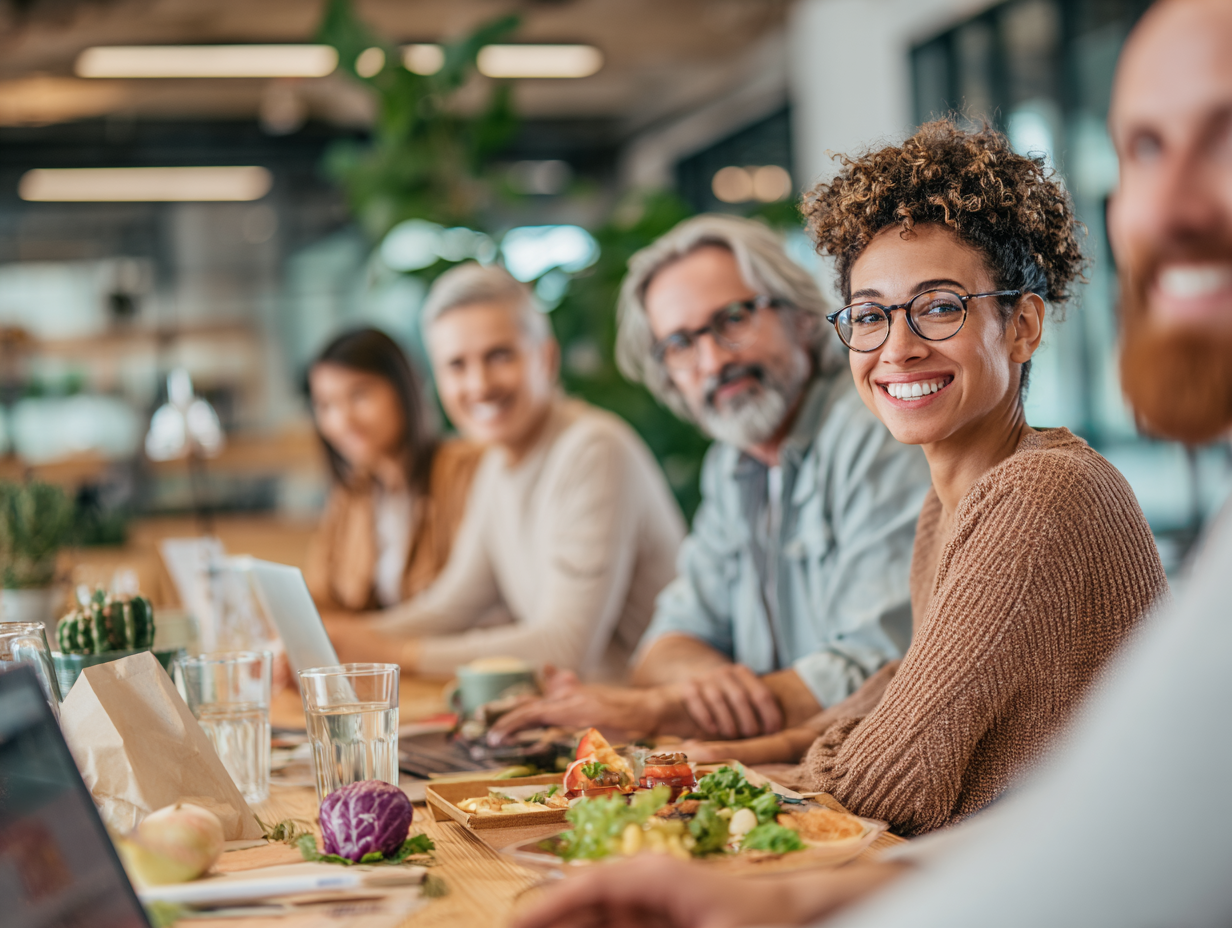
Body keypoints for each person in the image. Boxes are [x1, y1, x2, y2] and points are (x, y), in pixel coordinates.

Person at [510, 1, 1232, 925]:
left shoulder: (1042, 493)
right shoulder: (956, 500)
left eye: (937, 307)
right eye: (871, 314)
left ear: (1021, 322)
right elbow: (881, 700)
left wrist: (707, 779)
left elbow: (893, 775)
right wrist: (714, 762)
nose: (896, 349)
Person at [491, 214, 931, 744]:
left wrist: (663, 710)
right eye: (680, 344)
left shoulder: (874, 427)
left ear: (801, 316)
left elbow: (880, 670)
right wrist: (710, 688)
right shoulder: (731, 463)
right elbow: (661, 649)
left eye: (734, 318)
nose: (714, 359)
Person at [326, 263, 686, 682]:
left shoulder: (593, 448)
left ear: (546, 358)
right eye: (457, 366)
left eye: (498, 356)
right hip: (582, 726)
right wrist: (335, 639)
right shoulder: (497, 461)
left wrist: (392, 654)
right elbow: (450, 607)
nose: (478, 385)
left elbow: (564, 648)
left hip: (646, 735)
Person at [305, 327, 483, 611]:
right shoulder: (351, 495)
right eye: (326, 405)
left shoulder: (465, 472)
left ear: (403, 389)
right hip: (375, 654)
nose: (343, 420)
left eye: (359, 394)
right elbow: (321, 595)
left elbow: (470, 605)